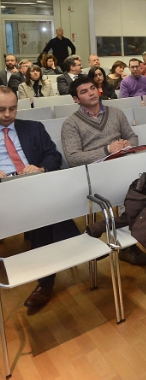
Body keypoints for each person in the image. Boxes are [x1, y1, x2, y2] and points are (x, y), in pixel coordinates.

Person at [0, 86, 80, 314]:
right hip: (3, 190)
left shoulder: (33, 128)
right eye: (1, 109)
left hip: (32, 183)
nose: (7, 114)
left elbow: (54, 155)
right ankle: (74, 242)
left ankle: (45, 282)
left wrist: (40, 168)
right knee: (45, 209)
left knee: (41, 208)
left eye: (12, 108)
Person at [60, 76, 146, 266]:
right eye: (84, 91)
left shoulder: (116, 113)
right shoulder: (71, 124)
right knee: (132, 190)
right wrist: (108, 150)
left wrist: (127, 145)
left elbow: (132, 136)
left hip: (122, 165)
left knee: (144, 183)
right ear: (76, 99)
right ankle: (127, 243)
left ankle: (128, 240)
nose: (91, 93)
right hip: (95, 173)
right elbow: (73, 158)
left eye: (92, 88)